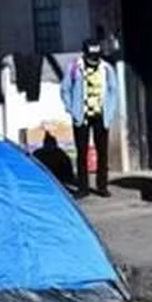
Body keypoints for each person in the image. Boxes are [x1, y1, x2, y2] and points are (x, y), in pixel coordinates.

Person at [60, 39, 120, 198]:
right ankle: (83, 187)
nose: (93, 60)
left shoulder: (107, 68)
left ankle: (102, 186)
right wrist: (71, 109)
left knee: (102, 152)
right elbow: (65, 89)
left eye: (96, 57)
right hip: (81, 116)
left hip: (101, 116)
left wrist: (111, 110)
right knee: (82, 152)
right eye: (91, 57)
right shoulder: (74, 67)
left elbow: (114, 90)